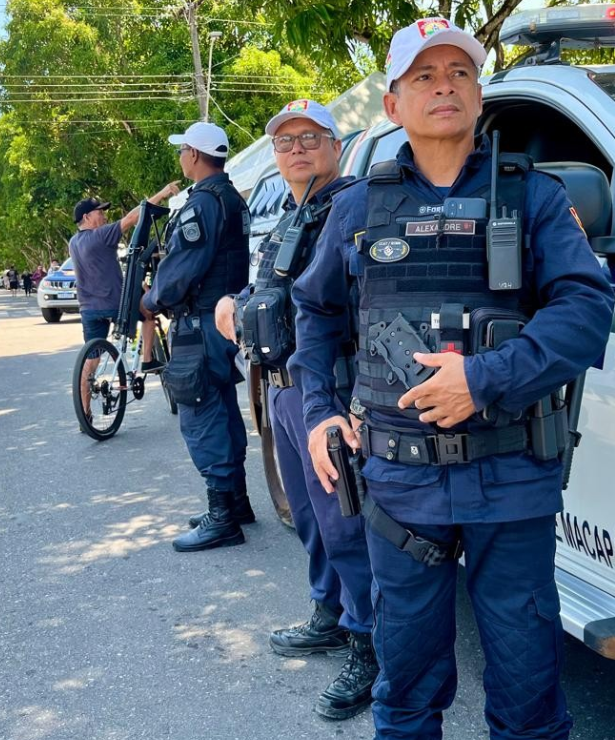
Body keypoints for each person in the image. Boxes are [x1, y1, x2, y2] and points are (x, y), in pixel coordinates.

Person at [291, 18, 615, 739]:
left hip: (511, 476)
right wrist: (319, 411)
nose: (445, 86)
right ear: (394, 105)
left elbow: (587, 309)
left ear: (479, 94)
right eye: (424, 76)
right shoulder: (355, 207)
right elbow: (313, 313)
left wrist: (485, 378)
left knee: (529, 693)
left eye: (460, 73)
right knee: (406, 687)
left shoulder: (532, 197)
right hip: (399, 483)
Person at [215, 100, 377, 720]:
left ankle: (369, 645)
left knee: (346, 526)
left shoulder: (354, 206)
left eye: (311, 137)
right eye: (285, 142)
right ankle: (328, 613)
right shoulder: (291, 212)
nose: (297, 149)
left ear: (336, 146)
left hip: (327, 390)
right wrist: (235, 303)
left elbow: (351, 308)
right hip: (282, 386)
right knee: (311, 520)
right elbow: (272, 288)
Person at [143, 121, 251, 553]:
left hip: (201, 323)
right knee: (222, 409)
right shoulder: (231, 197)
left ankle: (222, 517)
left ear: (193, 154)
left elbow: (179, 271)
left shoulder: (202, 203)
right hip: (223, 321)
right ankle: (236, 503)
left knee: (201, 415)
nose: (180, 157)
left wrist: (151, 299)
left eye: (182, 150)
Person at [69, 185, 178, 424]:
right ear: (87, 217)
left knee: (91, 360)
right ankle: (148, 359)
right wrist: (162, 194)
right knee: (148, 313)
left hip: (88, 308)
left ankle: (85, 414)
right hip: (114, 303)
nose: (104, 216)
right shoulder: (100, 236)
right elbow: (132, 217)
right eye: (100, 212)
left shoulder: (73, 242)